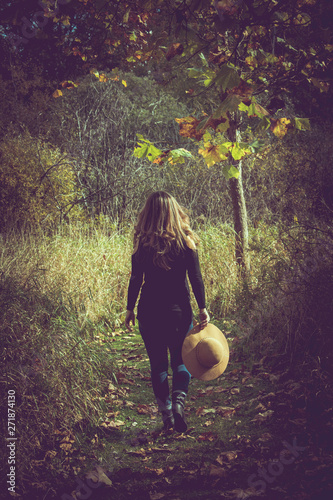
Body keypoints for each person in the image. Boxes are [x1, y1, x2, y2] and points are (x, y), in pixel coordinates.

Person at [125, 191, 210, 432]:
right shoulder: (186, 242)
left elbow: (135, 279)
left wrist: (129, 309)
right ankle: (179, 406)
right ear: (175, 211)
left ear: (148, 213)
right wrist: (203, 307)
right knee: (181, 361)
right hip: (179, 312)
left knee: (158, 365)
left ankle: (166, 415)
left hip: (149, 312)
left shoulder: (142, 243)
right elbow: (196, 278)